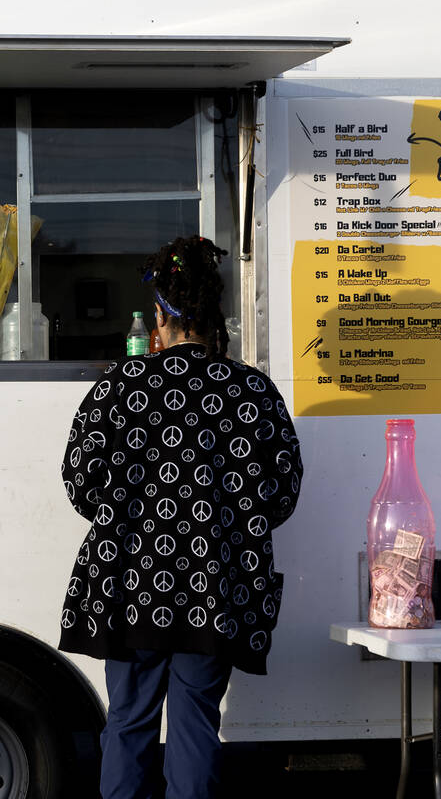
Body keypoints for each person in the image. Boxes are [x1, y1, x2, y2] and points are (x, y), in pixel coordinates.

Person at [59, 235, 303, 799]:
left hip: (128, 586)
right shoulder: (251, 391)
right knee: (195, 721)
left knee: (128, 720)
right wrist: (225, 525)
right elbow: (282, 494)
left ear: (160, 320)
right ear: (211, 319)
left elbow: (80, 481)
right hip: (213, 589)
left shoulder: (118, 388)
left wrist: (130, 520)